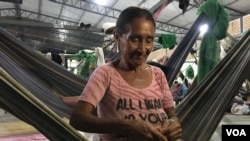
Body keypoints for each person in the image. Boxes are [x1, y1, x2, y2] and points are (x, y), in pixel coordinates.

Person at [69, 6, 182, 141]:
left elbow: (171, 114)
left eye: (149, 40)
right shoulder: (106, 74)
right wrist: (125, 127)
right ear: (117, 36)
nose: (143, 49)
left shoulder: (158, 74)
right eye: (134, 39)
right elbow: (77, 118)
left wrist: (174, 123)